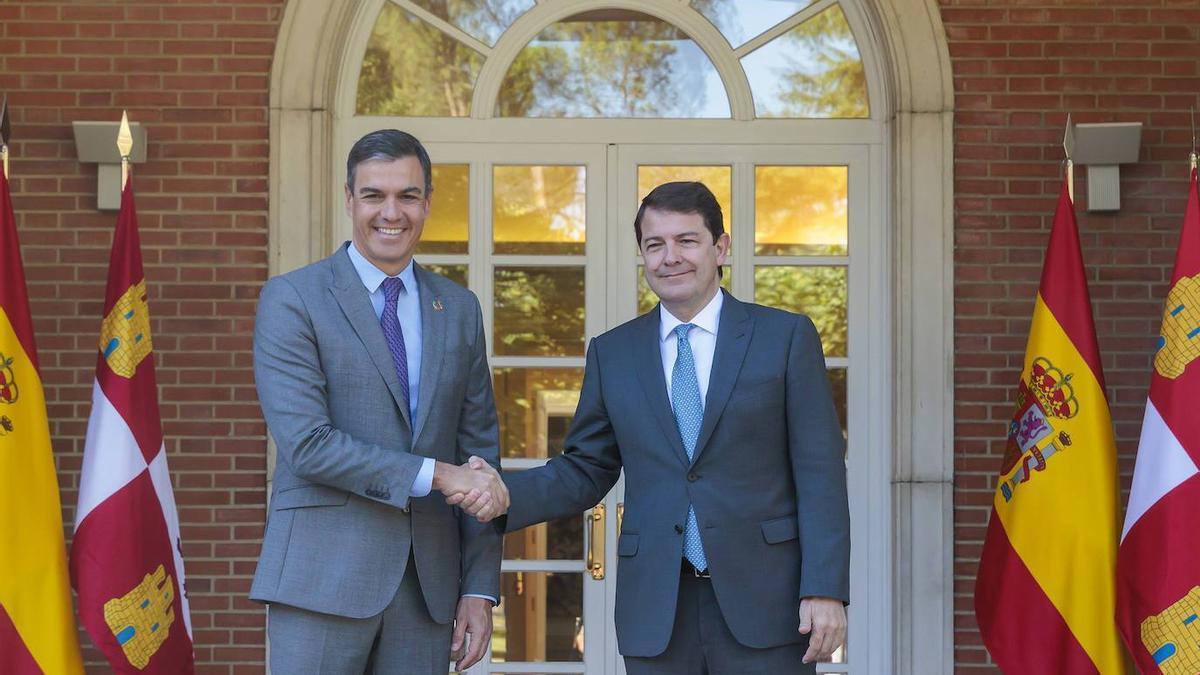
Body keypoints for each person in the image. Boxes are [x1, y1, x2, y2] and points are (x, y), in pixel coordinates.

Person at [456, 181, 850, 673]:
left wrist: (825, 588)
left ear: (720, 247)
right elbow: (586, 468)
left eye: (687, 240)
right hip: (658, 609)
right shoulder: (614, 352)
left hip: (768, 603)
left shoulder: (784, 338)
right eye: (654, 244)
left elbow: (821, 473)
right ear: (642, 253)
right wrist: (504, 496)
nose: (670, 258)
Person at [251, 129, 508, 673]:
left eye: (408, 196)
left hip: (427, 589)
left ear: (427, 202)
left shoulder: (459, 309)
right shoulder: (293, 298)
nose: (391, 213)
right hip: (322, 579)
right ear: (349, 200)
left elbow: (480, 455)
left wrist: (480, 587)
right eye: (374, 195)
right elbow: (308, 445)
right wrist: (440, 475)